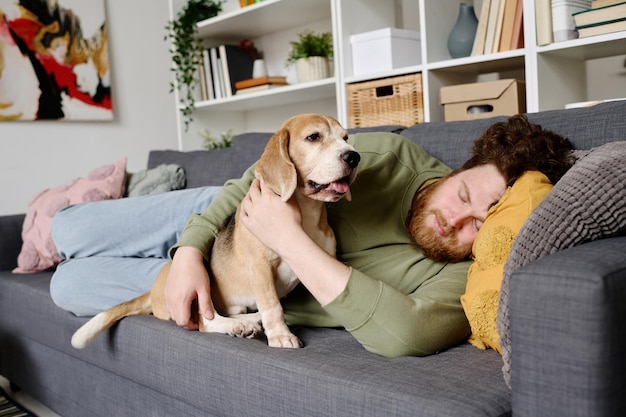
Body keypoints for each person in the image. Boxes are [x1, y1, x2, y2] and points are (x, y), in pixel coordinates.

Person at [50, 114, 574, 358]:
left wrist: (292, 240)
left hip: (246, 282)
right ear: (461, 168)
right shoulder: (389, 158)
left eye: (481, 225)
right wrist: (188, 250)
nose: (454, 224)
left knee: (67, 284)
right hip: (224, 210)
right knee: (67, 227)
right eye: (462, 198)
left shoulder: (464, 277)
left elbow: (407, 336)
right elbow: (256, 179)